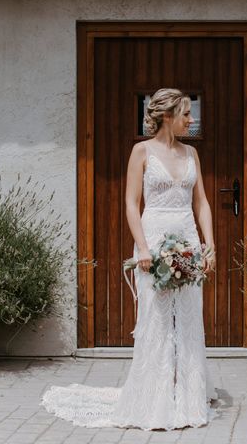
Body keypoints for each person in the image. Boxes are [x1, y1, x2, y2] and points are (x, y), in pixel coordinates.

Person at [41, 88, 217, 430]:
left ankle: (188, 400)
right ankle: (154, 401)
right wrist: (144, 248)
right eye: (186, 114)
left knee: (189, 316)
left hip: (187, 240)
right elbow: (130, 204)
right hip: (152, 240)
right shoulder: (141, 151)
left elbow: (202, 203)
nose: (191, 119)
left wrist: (209, 244)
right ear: (168, 116)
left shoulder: (192, 153)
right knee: (156, 318)